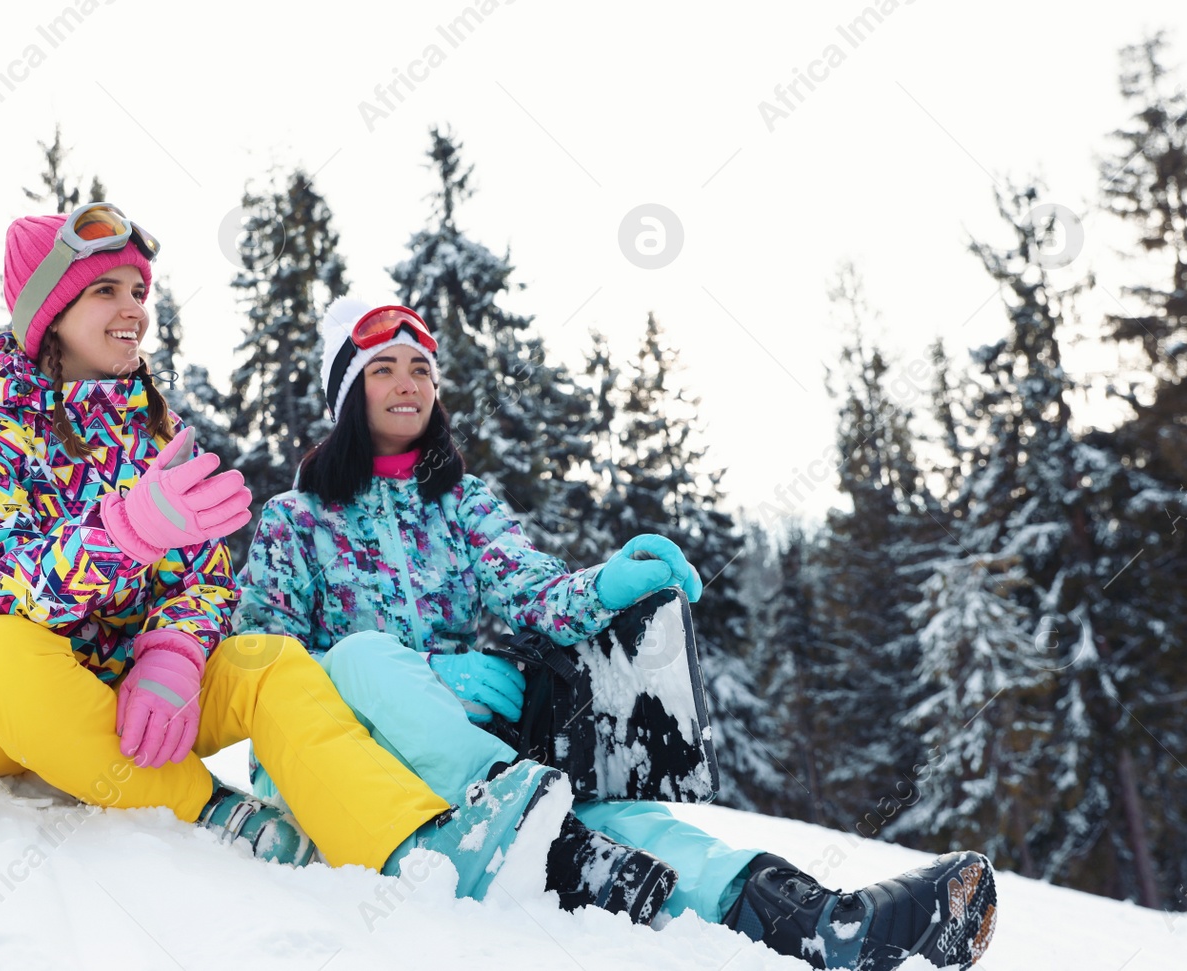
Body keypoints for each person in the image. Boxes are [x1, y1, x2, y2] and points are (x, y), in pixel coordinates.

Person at [233, 298, 999, 969]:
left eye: (421, 368)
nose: (407, 382)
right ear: (347, 393)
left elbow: (532, 589)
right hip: (356, 768)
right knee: (365, 656)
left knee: (616, 817)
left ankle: (809, 918)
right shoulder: (297, 520)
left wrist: (607, 584)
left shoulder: (461, 504)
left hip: (477, 761)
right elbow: (263, 668)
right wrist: (421, 671)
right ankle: (510, 814)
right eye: (383, 368)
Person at [0, 208, 578, 902]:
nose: (134, 308)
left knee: (270, 662)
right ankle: (211, 810)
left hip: (121, 700)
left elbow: (207, 580)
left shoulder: (157, 438)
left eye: (140, 291)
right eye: (108, 290)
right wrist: (122, 534)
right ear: (47, 313)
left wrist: (176, 649)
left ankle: (412, 843)